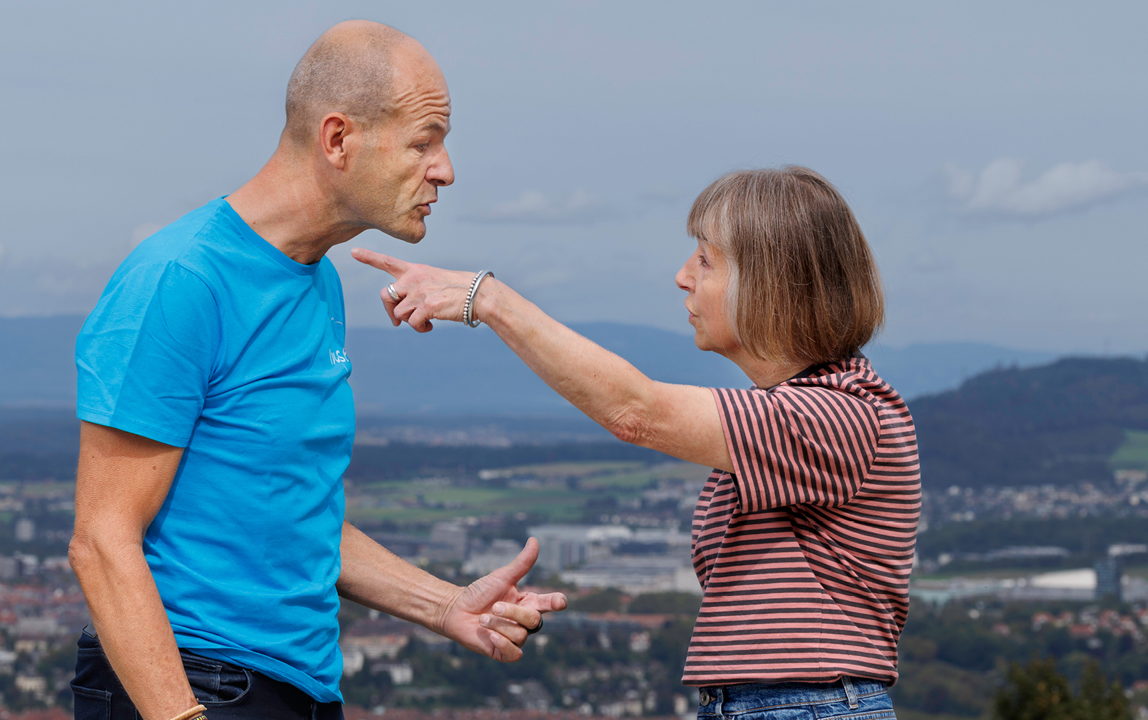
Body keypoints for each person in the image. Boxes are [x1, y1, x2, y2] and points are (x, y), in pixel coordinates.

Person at [69, 21, 565, 720]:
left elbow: (287, 512)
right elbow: (101, 540)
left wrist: (445, 604)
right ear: (338, 140)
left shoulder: (317, 282)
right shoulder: (180, 279)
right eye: (424, 141)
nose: (446, 169)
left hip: (294, 689)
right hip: (191, 684)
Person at [354, 166, 920, 720]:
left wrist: (491, 300)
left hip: (808, 706)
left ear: (772, 282)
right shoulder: (804, 415)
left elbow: (636, 412)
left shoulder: (843, 417)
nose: (682, 276)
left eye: (705, 258)